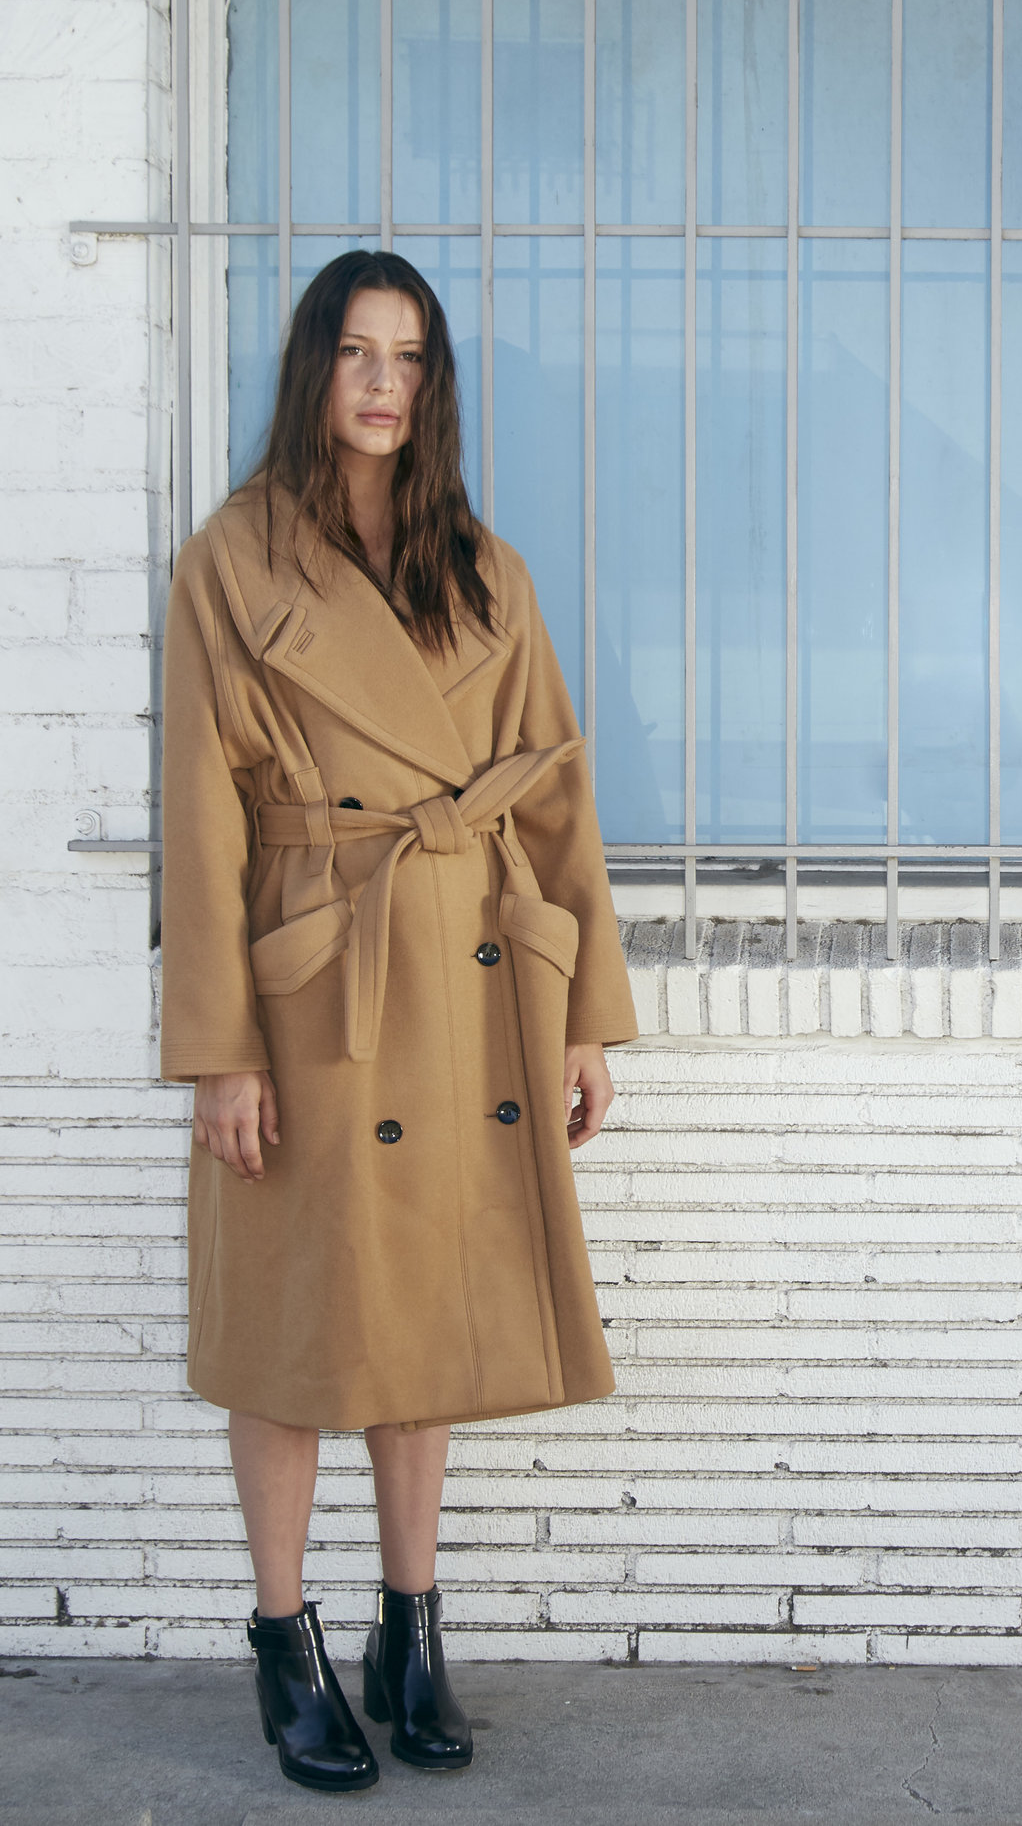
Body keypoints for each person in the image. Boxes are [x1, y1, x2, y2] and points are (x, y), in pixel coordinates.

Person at [160, 250, 638, 1794]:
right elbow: (201, 826)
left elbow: (553, 796)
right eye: (356, 352)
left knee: (421, 1324)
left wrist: (583, 1020)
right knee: (300, 1332)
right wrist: (223, 1048)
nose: (382, 382)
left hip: (465, 977)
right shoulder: (230, 563)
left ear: (431, 387)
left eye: (409, 358)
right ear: (313, 370)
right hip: (316, 990)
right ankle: (283, 1635)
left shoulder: (485, 569)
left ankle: (412, 1623)